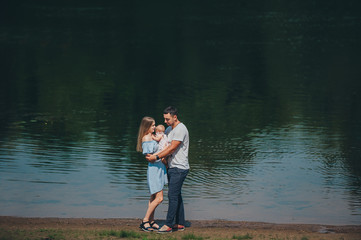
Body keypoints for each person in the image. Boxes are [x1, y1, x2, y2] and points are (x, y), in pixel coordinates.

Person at [146, 106, 189, 234]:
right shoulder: (170, 129)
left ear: (175, 117)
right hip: (171, 166)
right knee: (177, 195)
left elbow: (172, 148)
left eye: (167, 119)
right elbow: (162, 143)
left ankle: (169, 225)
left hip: (179, 167)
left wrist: (156, 157)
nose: (165, 121)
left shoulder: (181, 129)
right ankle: (180, 223)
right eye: (164, 119)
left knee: (172, 196)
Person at [136, 116, 168, 232]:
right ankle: (145, 220)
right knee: (159, 198)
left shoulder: (152, 137)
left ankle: (151, 220)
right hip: (154, 170)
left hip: (159, 168)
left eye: (154, 125)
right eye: (153, 125)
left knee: (154, 196)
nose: (155, 127)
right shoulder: (146, 138)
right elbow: (149, 157)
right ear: (147, 126)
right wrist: (163, 152)